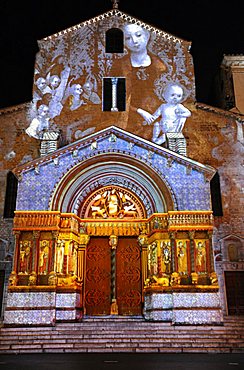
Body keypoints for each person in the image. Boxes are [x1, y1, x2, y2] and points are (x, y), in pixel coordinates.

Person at [109, 23, 167, 133]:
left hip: (157, 118)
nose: (134, 41)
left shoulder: (160, 66)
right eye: (128, 38)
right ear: (124, 42)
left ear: (147, 35)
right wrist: (140, 111)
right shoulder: (119, 66)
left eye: (138, 35)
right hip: (128, 118)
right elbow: (113, 99)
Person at [150, 82, 191, 155]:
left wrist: (180, 114)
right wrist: (151, 119)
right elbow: (155, 115)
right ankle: (154, 140)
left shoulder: (179, 106)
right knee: (156, 125)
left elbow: (188, 113)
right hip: (163, 125)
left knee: (165, 136)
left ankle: (156, 144)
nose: (175, 98)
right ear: (165, 96)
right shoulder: (163, 106)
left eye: (179, 96)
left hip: (172, 128)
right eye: (172, 95)